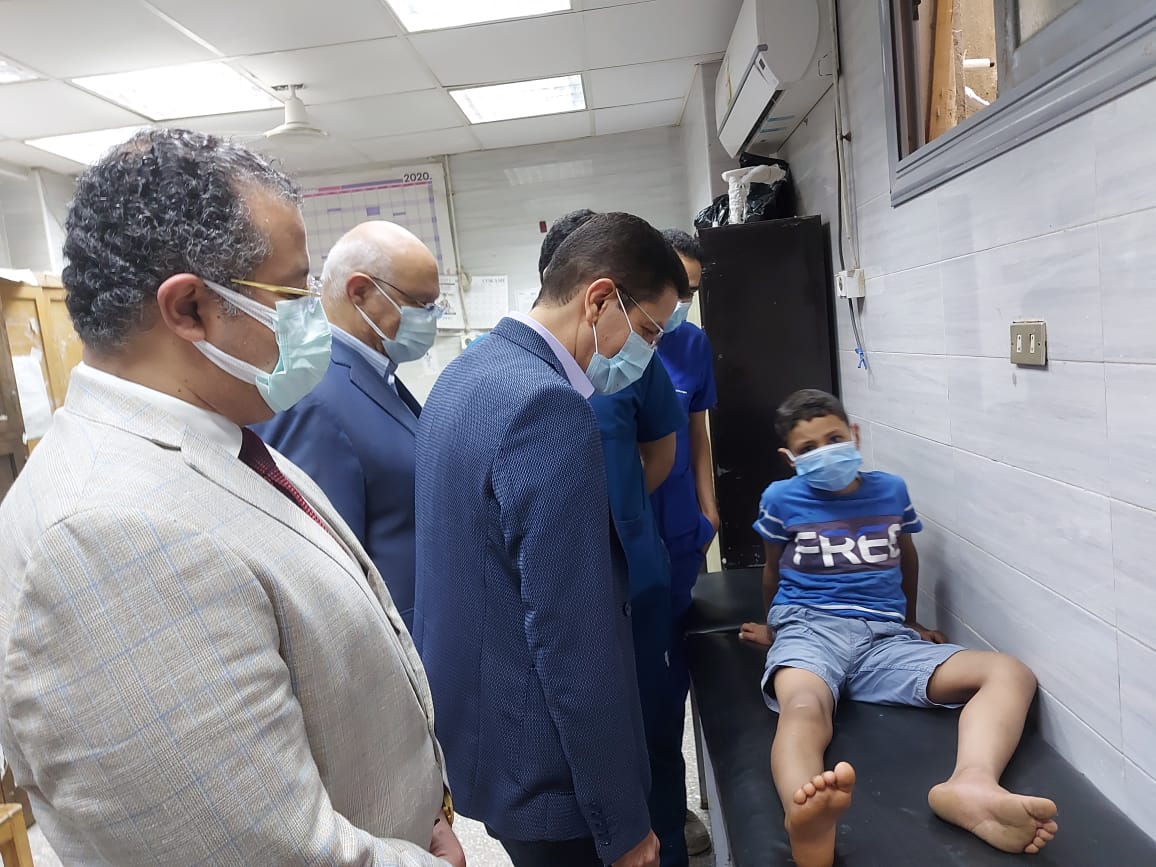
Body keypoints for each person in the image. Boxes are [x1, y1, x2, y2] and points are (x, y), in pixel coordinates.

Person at [0, 129, 462, 866]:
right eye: (293, 293)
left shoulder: (219, 432)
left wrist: (420, 806)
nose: (311, 318)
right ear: (189, 308)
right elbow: (257, 848)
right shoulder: (105, 534)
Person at [415, 212, 687, 867]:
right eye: (649, 330)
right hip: (551, 768)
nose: (649, 351)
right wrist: (624, 822)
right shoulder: (549, 406)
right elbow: (572, 634)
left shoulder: (465, 372)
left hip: (484, 742)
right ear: (600, 299)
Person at [738, 389, 1058, 867]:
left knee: (1010, 673)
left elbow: (906, 555)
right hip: (809, 627)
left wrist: (910, 621)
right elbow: (773, 567)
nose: (825, 452)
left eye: (834, 439)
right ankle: (805, 816)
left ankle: (971, 785)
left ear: (854, 435)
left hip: (885, 639)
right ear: (790, 458)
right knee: (803, 706)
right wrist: (774, 627)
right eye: (808, 448)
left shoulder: (890, 491)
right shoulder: (781, 498)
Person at [538, 210, 690, 867]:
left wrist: (616, 516)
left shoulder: (629, 360)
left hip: (637, 575)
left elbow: (661, 452)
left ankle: (669, 844)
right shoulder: (525, 378)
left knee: (654, 731)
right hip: (569, 590)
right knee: (588, 734)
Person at [253, 220, 443, 630]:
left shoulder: (374, 375)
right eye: (421, 304)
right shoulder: (313, 396)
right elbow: (322, 568)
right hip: (385, 635)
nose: (431, 319)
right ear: (360, 292)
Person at [648, 229, 718, 858]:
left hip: (678, 533)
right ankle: (642, 816)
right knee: (633, 685)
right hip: (629, 536)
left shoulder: (691, 344)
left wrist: (708, 510)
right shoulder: (615, 348)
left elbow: (698, 431)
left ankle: (671, 812)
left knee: (671, 684)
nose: (681, 303)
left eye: (691, 290)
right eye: (675, 288)